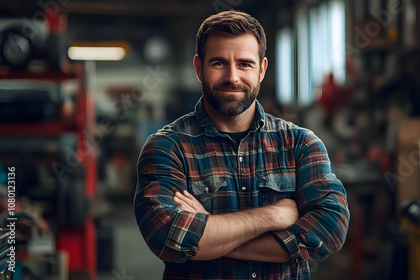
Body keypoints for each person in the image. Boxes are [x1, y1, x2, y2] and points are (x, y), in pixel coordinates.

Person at [134, 10, 350, 280]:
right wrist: (274, 215)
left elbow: (330, 230)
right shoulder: (168, 147)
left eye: (245, 64)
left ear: (262, 70)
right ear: (199, 68)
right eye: (218, 63)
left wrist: (209, 238)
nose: (232, 76)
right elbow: (168, 239)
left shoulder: (300, 144)